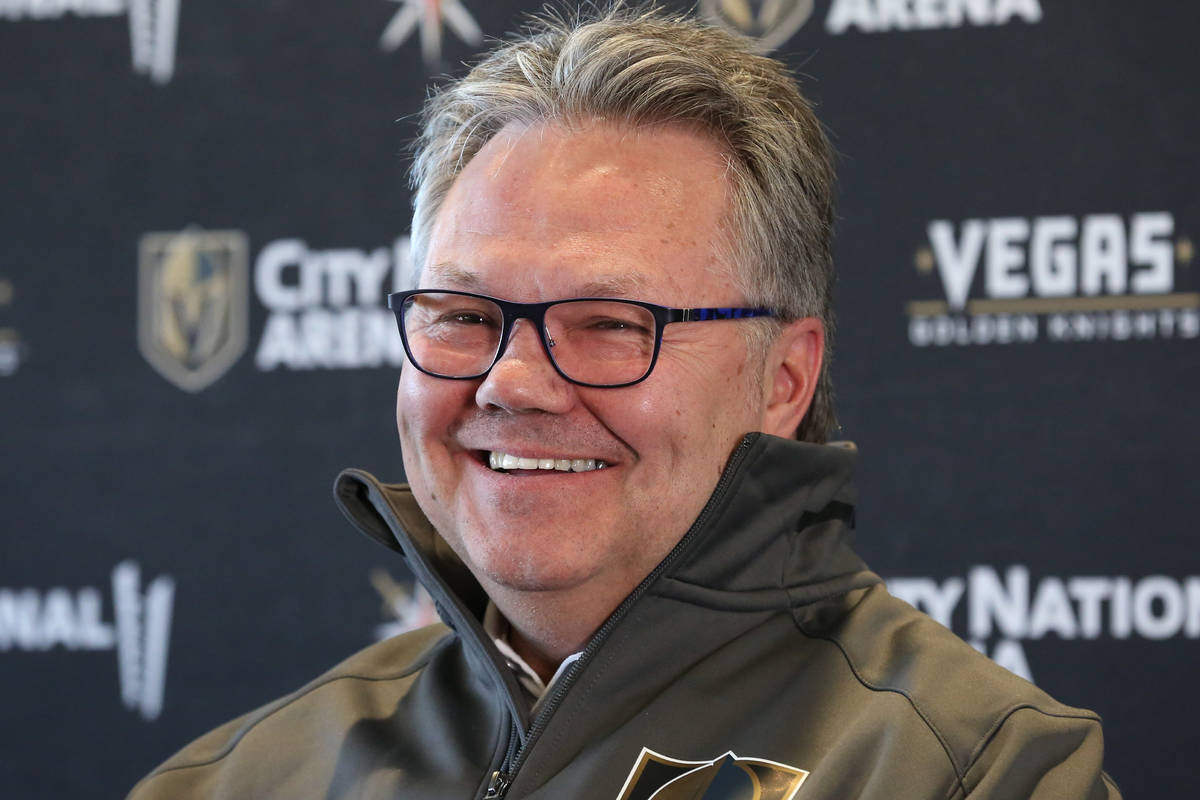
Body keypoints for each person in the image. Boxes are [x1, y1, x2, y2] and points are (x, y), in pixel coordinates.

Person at [128, 5, 1120, 799]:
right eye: (465, 312)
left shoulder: (977, 773)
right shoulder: (231, 779)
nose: (510, 380)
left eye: (608, 321)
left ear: (783, 377)